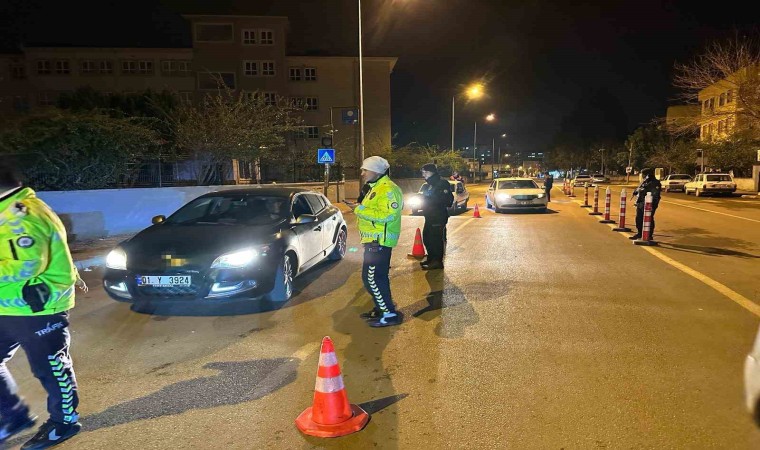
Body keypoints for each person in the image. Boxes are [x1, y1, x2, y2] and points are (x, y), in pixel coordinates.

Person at [0, 162, 87, 449]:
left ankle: (64, 423)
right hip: (8, 307)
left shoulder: (21, 215)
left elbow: (26, 265)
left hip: (38, 308)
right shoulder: (6, 211)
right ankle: (12, 417)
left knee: (50, 367)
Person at [352, 156, 404, 328]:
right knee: (377, 278)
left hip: (379, 241)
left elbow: (389, 215)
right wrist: (359, 207)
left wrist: (359, 210)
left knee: (372, 279)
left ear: (375, 171)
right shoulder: (376, 188)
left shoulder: (388, 190)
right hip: (373, 241)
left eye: (365, 170)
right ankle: (382, 309)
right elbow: (375, 210)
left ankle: (389, 314)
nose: (362, 173)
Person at [419, 164, 454, 271]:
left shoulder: (441, 183)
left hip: (438, 216)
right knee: (427, 238)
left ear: (432, 172)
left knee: (436, 240)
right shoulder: (429, 185)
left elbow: (447, 201)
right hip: (429, 216)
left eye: (425, 172)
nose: (423, 174)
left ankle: (437, 262)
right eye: (422, 172)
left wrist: (429, 201)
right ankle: (431, 258)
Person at [630, 167, 661, 240]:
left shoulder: (655, 182)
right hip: (641, 202)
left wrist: (642, 190)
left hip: (650, 203)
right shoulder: (644, 181)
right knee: (639, 218)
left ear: (648, 174)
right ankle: (640, 233)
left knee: (648, 219)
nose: (642, 176)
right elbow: (639, 188)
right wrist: (636, 191)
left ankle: (649, 235)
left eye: (643, 174)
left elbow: (653, 194)